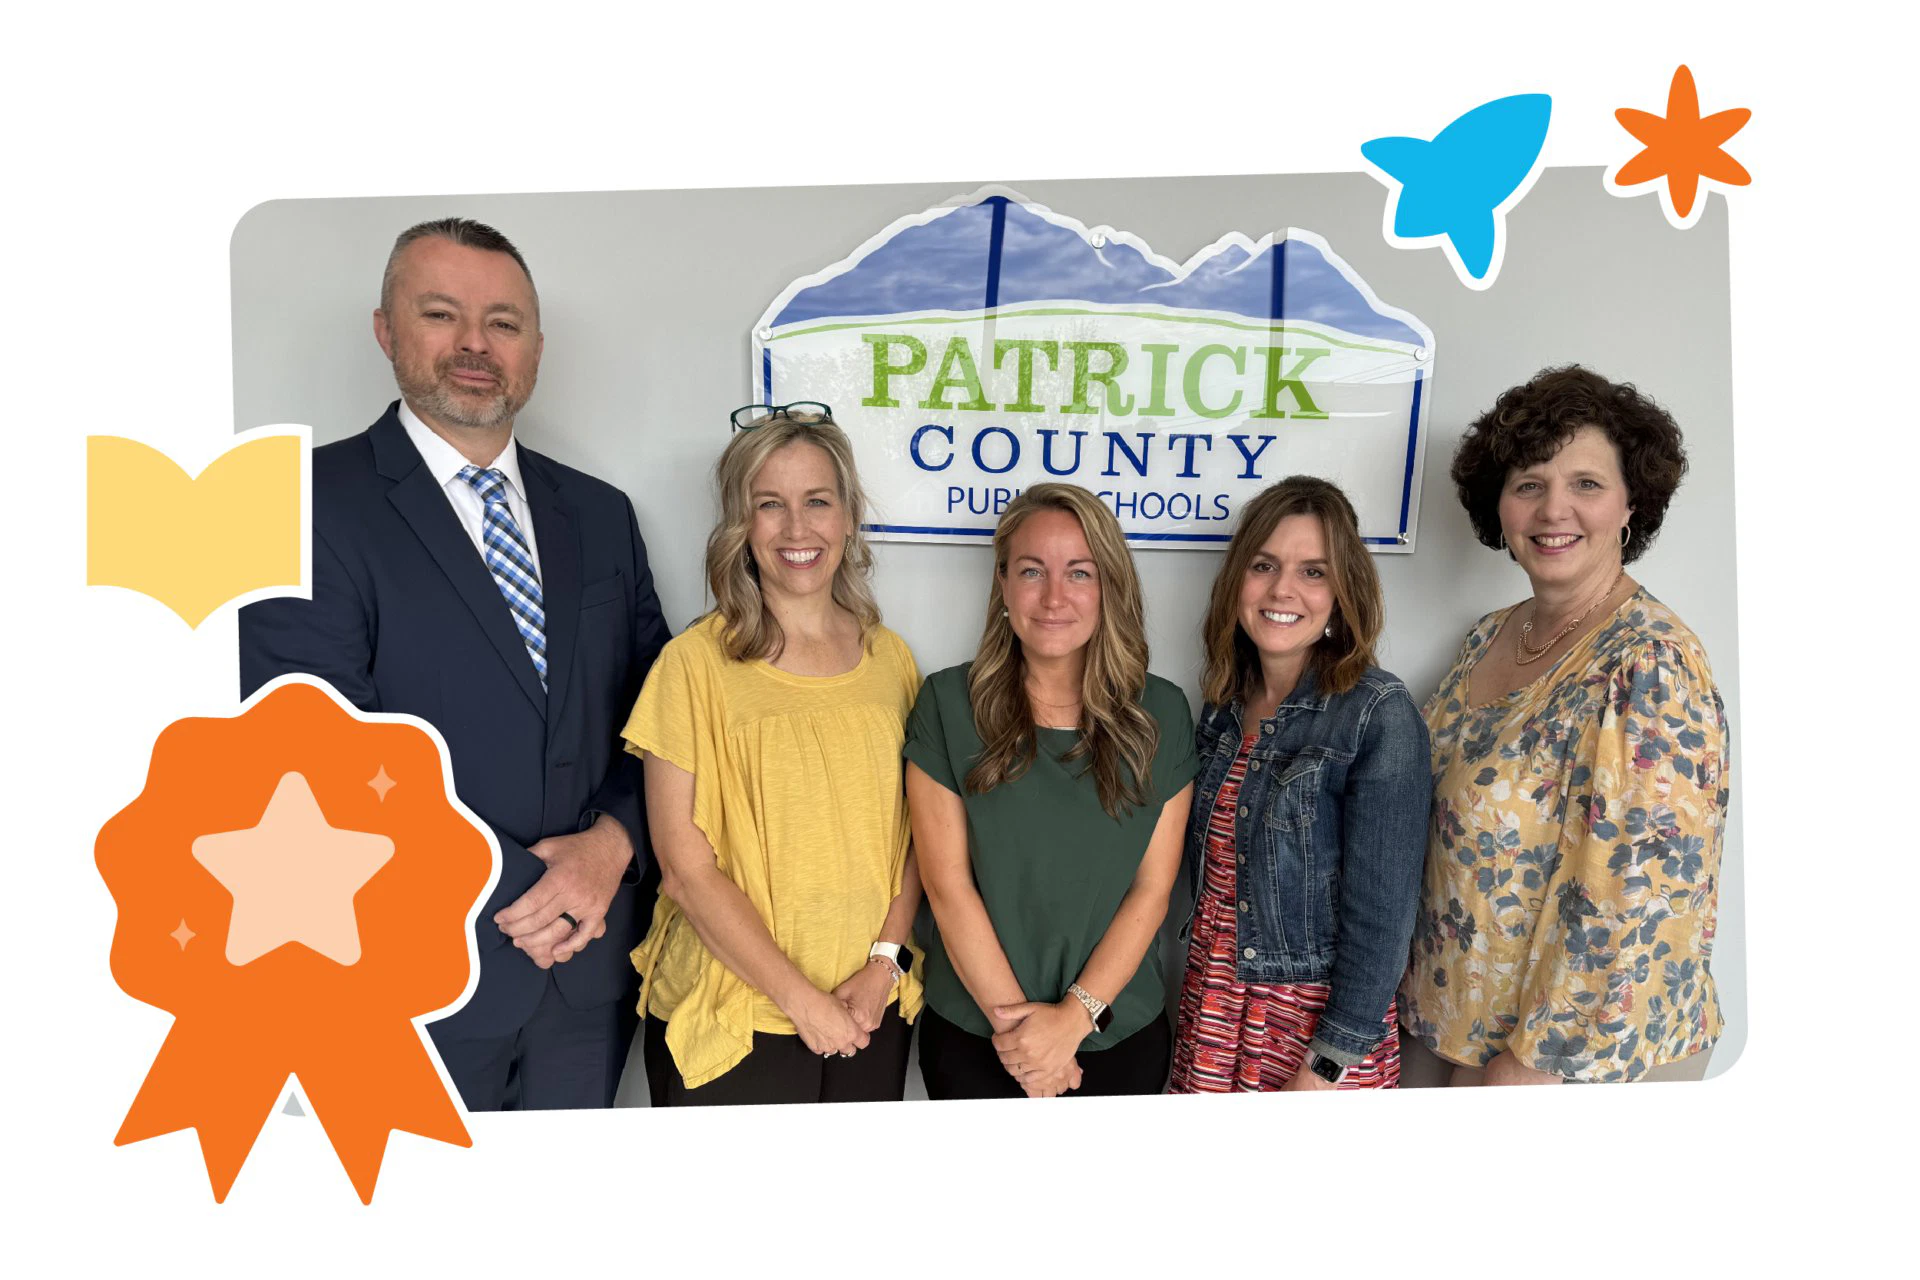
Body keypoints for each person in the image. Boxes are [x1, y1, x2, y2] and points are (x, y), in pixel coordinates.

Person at [240, 217, 669, 1111]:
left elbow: (662, 712)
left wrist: (613, 846)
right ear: (386, 330)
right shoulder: (299, 505)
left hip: (588, 978)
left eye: (504, 322)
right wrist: (532, 891)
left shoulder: (600, 514)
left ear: (536, 348)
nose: (476, 343)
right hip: (402, 975)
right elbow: (313, 753)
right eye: (442, 314)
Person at [1399, 365, 1729, 1085]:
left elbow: (1642, 900)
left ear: (1631, 504)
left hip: (1569, 1059)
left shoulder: (1650, 662)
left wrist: (1534, 1064)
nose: (1554, 509)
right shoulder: (1489, 636)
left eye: (1585, 483)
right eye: (1529, 484)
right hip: (1452, 1020)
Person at [628, 406, 923, 1105]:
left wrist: (884, 965)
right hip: (738, 1016)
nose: (797, 529)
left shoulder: (891, 659)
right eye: (770, 505)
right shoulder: (693, 666)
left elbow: (922, 837)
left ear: (849, 517)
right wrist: (802, 1002)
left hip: (868, 1007)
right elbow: (684, 867)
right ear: (741, 525)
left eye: (817, 502)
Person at [906, 483, 1197, 1100]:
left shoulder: (1163, 714)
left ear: (1109, 587)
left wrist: (1072, 1020)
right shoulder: (945, 704)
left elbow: (1153, 888)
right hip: (974, 1038)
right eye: (1032, 570)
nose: (1054, 597)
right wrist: (1028, 1044)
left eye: (1080, 573)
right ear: (1003, 585)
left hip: (1116, 1036)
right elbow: (947, 887)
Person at [1167, 477, 1430, 1093]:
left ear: (1343, 593)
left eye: (1314, 572)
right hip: (1213, 1010)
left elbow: (1383, 922)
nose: (1283, 590)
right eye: (1264, 566)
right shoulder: (1223, 709)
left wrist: (1326, 1067)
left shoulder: (1376, 713)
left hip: (1310, 1034)